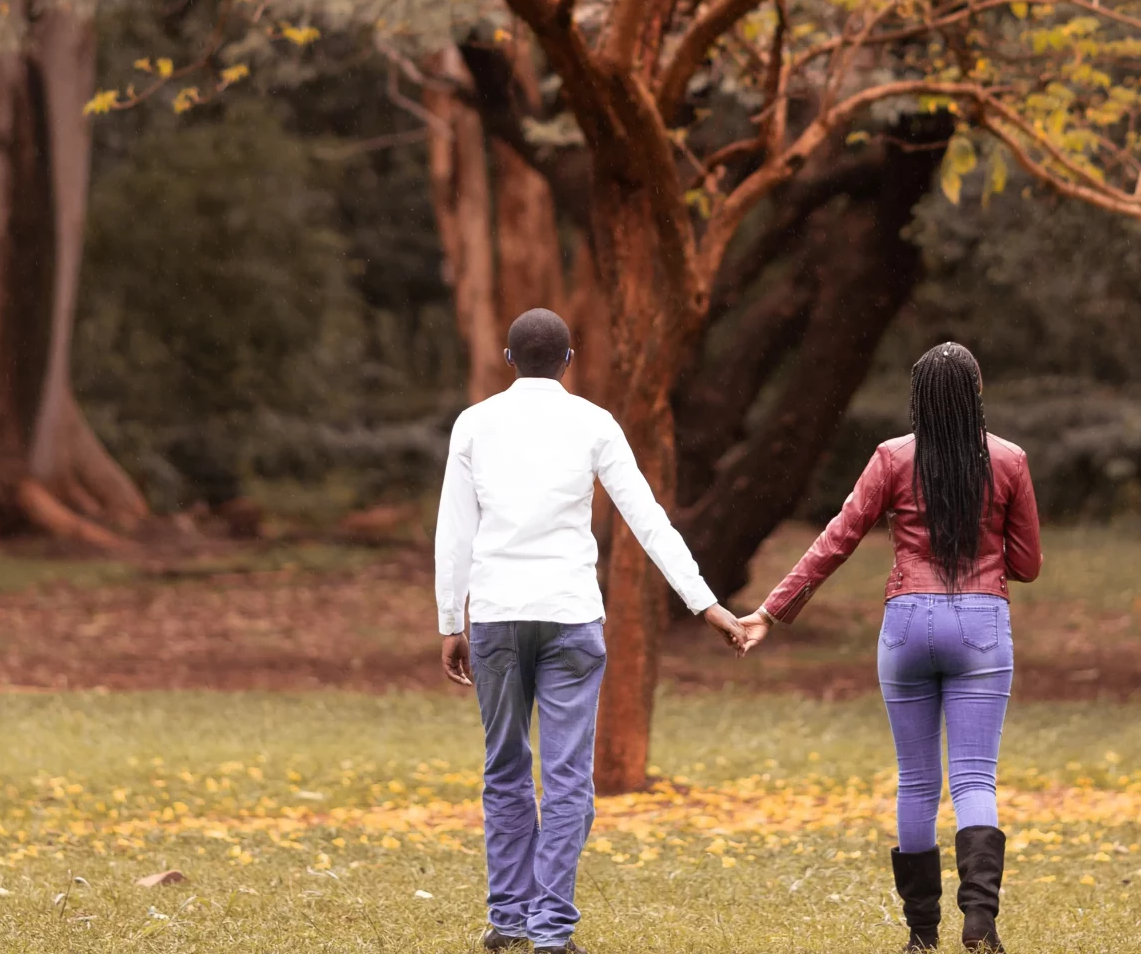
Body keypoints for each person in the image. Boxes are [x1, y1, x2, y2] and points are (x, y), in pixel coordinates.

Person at [434, 307, 749, 954]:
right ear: (569, 360)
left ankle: (509, 920)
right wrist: (705, 602)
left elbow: (454, 529)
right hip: (572, 615)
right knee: (569, 774)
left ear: (509, 356)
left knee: (505, 768)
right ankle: (551, 929)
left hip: (495, 613)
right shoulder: (593, 423)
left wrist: (448, 618)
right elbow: (648, 518)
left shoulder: (475, 423)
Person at [738, 342, 1039, 952]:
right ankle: (979, 925)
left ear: (918, 399)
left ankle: (921, 935)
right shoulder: (1009, 461)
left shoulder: (891, 459)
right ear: (977, 393)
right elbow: (1028, 564)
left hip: (906, 623)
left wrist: (773, 608)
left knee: (917, 783)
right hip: (981, 624)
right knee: (975, 780)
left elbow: (837, 539)